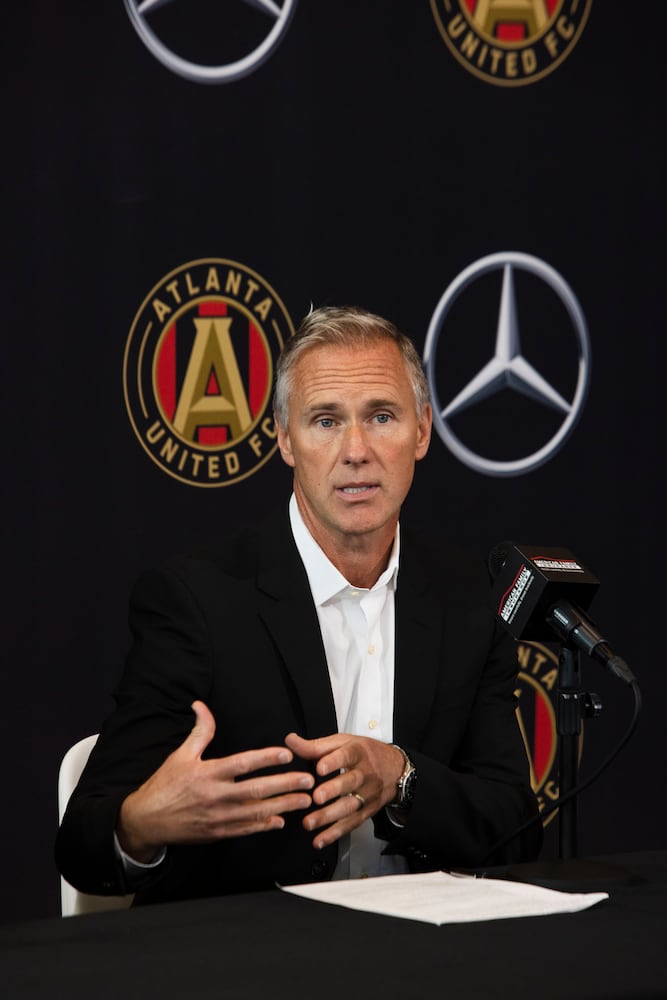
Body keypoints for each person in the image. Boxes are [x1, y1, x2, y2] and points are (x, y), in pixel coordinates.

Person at [56, 305, 541, 904]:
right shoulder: (197, 601)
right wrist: (140, 824)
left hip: (423, 960)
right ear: (286, 439)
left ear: (422, 431)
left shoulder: (467, 596)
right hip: (251, 964)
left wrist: (403, 780)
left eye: (381, 416)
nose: (356, 450)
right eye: (325, 421)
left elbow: (515, 828)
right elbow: (81, 844)